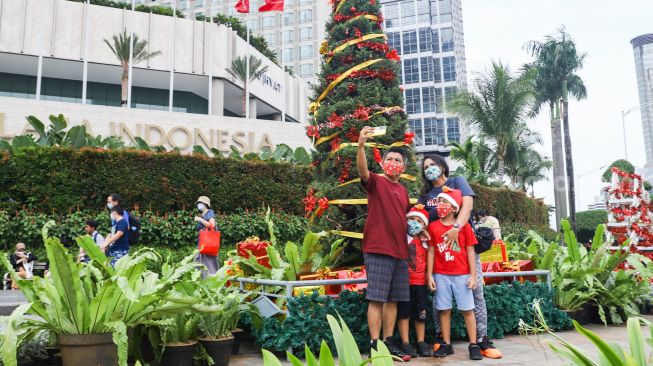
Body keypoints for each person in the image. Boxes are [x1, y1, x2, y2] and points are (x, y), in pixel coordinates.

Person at [417, 154, 502, 359]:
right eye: (426, 166)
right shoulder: (426, 195)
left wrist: (456, 227)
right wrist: (420, 229)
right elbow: (421, 220)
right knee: (441, 301)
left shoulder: (457, 182)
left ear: (443, 166)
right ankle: (442, 339)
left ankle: (481, 340)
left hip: (464, 251)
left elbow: (467, 206)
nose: (430, 168)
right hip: (439, 257)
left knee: (476, 294)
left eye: (433, 164)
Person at [357, 126, 411, 361]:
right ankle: (374, 344)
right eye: (389, 158)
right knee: (377, 298)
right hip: (378, 249)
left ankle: (388, 342)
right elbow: (362, 172)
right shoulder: (376, 182)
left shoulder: (404, 190)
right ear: (382, 163)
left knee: (393, 299)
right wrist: (361, 145)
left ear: (404, 167)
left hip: (400, 252)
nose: (393, 162)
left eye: (397, 160)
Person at [426, 188, 482, 360]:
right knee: (444, 310)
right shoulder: (433, 227)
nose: (440, 205)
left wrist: (473, 276)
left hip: (462, 275)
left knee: (467, 310)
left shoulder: (463, 227)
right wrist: (430, 275)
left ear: (454, 207)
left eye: (445, 202)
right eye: (439, 202)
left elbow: (470, 251)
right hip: (441, 275)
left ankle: (473, 344)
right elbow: (431, 251)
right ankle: (446, 343)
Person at [397, 205, 432, 358]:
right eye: (412, 219)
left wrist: (429, 276)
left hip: (419, 282)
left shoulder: (425, 241)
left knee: (420, 313)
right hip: (403, 281)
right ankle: (405, 342)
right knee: (403, 313)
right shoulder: (401, 238)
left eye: (419, 221)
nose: (415, 223)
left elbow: (431, 256)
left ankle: (421, 341)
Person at [194, 196, 219, 278]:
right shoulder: (202, 214)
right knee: (198, 262)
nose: (198, 205)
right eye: (198, 204)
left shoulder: (209, 213)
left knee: (208, 263)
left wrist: (199, 220)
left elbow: (212, 225)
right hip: (202, 243)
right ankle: (200, 281)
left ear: (205, 204)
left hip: (207, 243)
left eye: (200, 203)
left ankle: (212, 281)